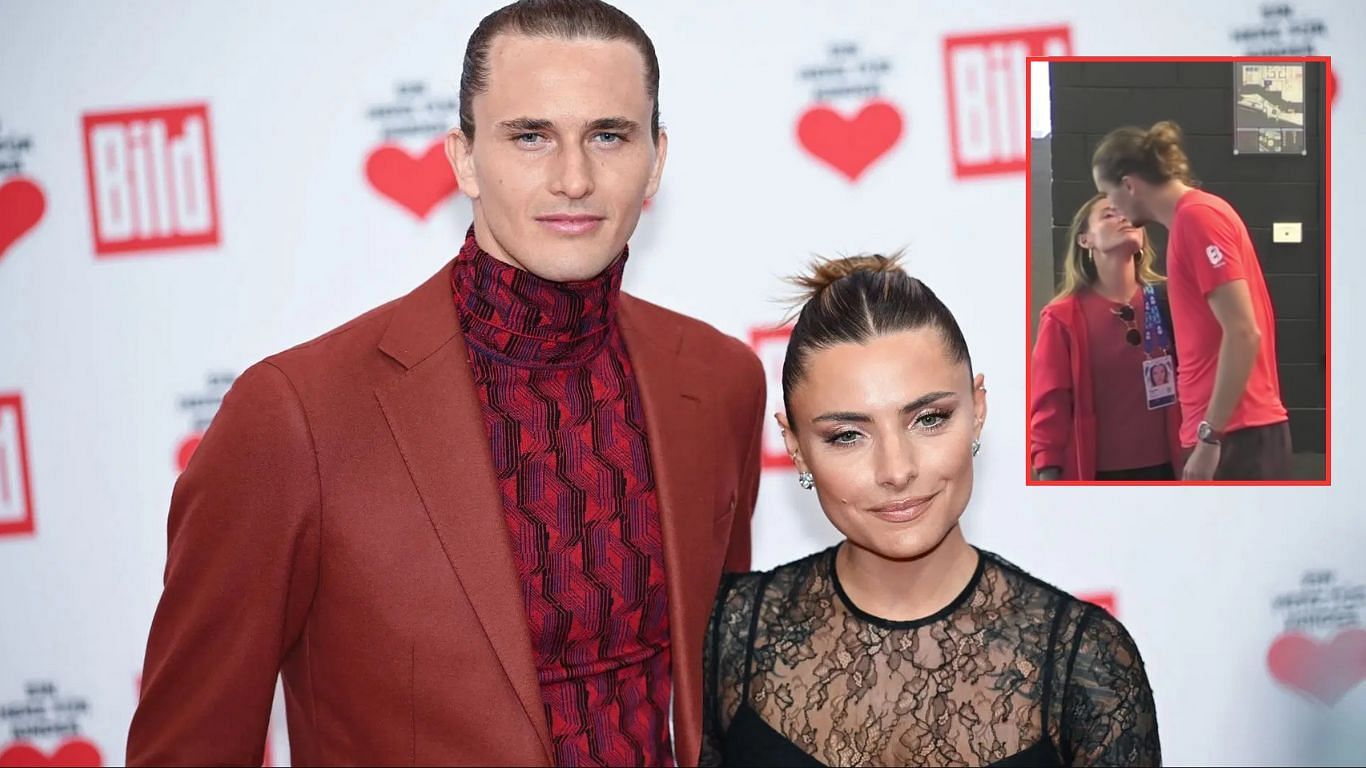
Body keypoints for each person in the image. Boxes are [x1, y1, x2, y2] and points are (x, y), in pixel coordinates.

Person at [127, 1, 766, 765]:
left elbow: (723, 695)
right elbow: (189, 747)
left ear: (656, 158)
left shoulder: (720, 381)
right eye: (531, 136)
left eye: (608, 135)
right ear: (462, 158)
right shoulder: (296, 418)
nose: (574, 178)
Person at [701, 255, 1160, 767]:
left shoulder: (1085, 661)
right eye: (847, 435)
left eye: (929, 419)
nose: (896, 470)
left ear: (977, 410)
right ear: (796, 445)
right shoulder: (730, 631)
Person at [1093, 120, 1290, 480]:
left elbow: (1244, 332)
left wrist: (1210, 436)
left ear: (1128, 184)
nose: (1112, 206)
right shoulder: (1190, 220)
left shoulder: (1198, 218)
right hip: (1226, 433)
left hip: (1236, 435)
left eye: (1108, 194)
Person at [1030, 193, 1184, 482]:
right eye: (1109, 214)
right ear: (1085, 240)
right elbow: (1050, 405)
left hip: (1170, 470)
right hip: (1096, 475)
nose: (1124, 217)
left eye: (1127, 212)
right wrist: (1047, 472)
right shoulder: (1062, 318)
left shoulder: (1169, 300)